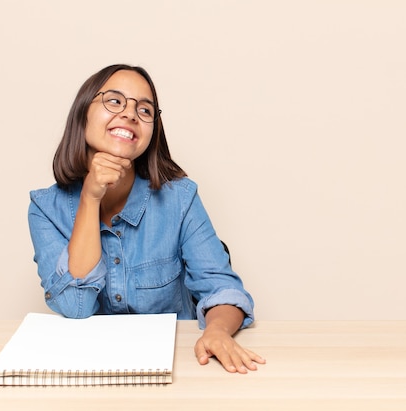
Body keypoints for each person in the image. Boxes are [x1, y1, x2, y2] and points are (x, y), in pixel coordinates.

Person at [28, 64, 265, 373]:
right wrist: (90, 198)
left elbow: (222, 289)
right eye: (114, 101)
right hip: (88, 373)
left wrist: (216, 331)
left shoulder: (180, 198)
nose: (130, 114)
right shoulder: (45, 208)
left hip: (176, 370)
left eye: (144, 110)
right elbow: (75, 306)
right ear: (83, 113)